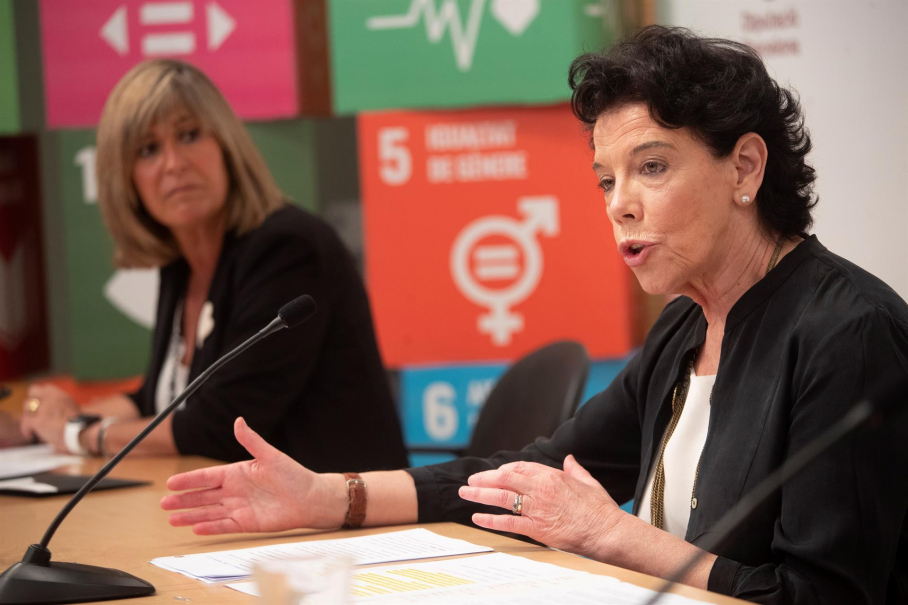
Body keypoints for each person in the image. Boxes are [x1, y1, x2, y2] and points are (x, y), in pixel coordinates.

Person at [159, 27, 908, 604]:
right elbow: (526, 474)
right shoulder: (687, 328)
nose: (620, 204)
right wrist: (330, 496)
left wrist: (613, 535)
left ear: (745, 167)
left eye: (651, 167)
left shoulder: (849, 335)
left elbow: (823, 597)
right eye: (606, 179)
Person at [4, 59, 408, 472]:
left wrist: (80, 434)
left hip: (341, 504)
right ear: (125, 179)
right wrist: (39, 425)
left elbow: (219, 426)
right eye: (148, 149)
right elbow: (158, 399)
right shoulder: (182, 263)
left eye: (189, 135)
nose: (174, 163)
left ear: (226, 145)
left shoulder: (288, 249)